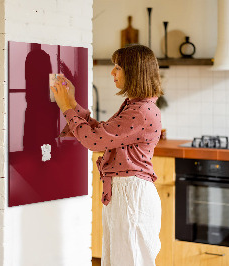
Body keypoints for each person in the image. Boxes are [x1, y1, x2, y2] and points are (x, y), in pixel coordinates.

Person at [50, 44, 164, 266]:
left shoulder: (140, 111)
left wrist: (66, 108)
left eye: (118, 67)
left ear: (134, 71)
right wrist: (72, 104)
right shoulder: (136, 106)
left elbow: (94, 141)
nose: (112, 72)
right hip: (125, 193)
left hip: (131, 195)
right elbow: (102, 133)